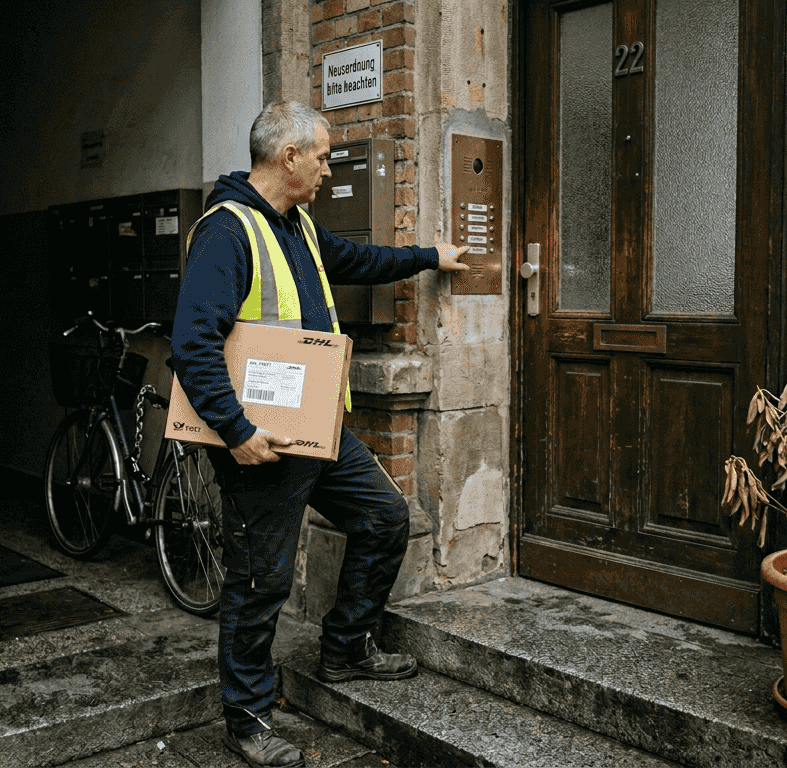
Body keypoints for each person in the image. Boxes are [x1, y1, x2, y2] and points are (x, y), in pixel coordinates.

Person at [172, 101, 469, 768]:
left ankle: (345, 648)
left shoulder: (297, 223)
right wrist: (236, 430)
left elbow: (355, 260)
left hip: (317, 432)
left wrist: (429, 256)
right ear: (289, 157)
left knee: (386, 518)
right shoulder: (226, 232)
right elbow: (192, 345)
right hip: (260, 446)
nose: (331, 170)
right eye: (325, 157)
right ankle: (248, 719)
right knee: (260, 582)